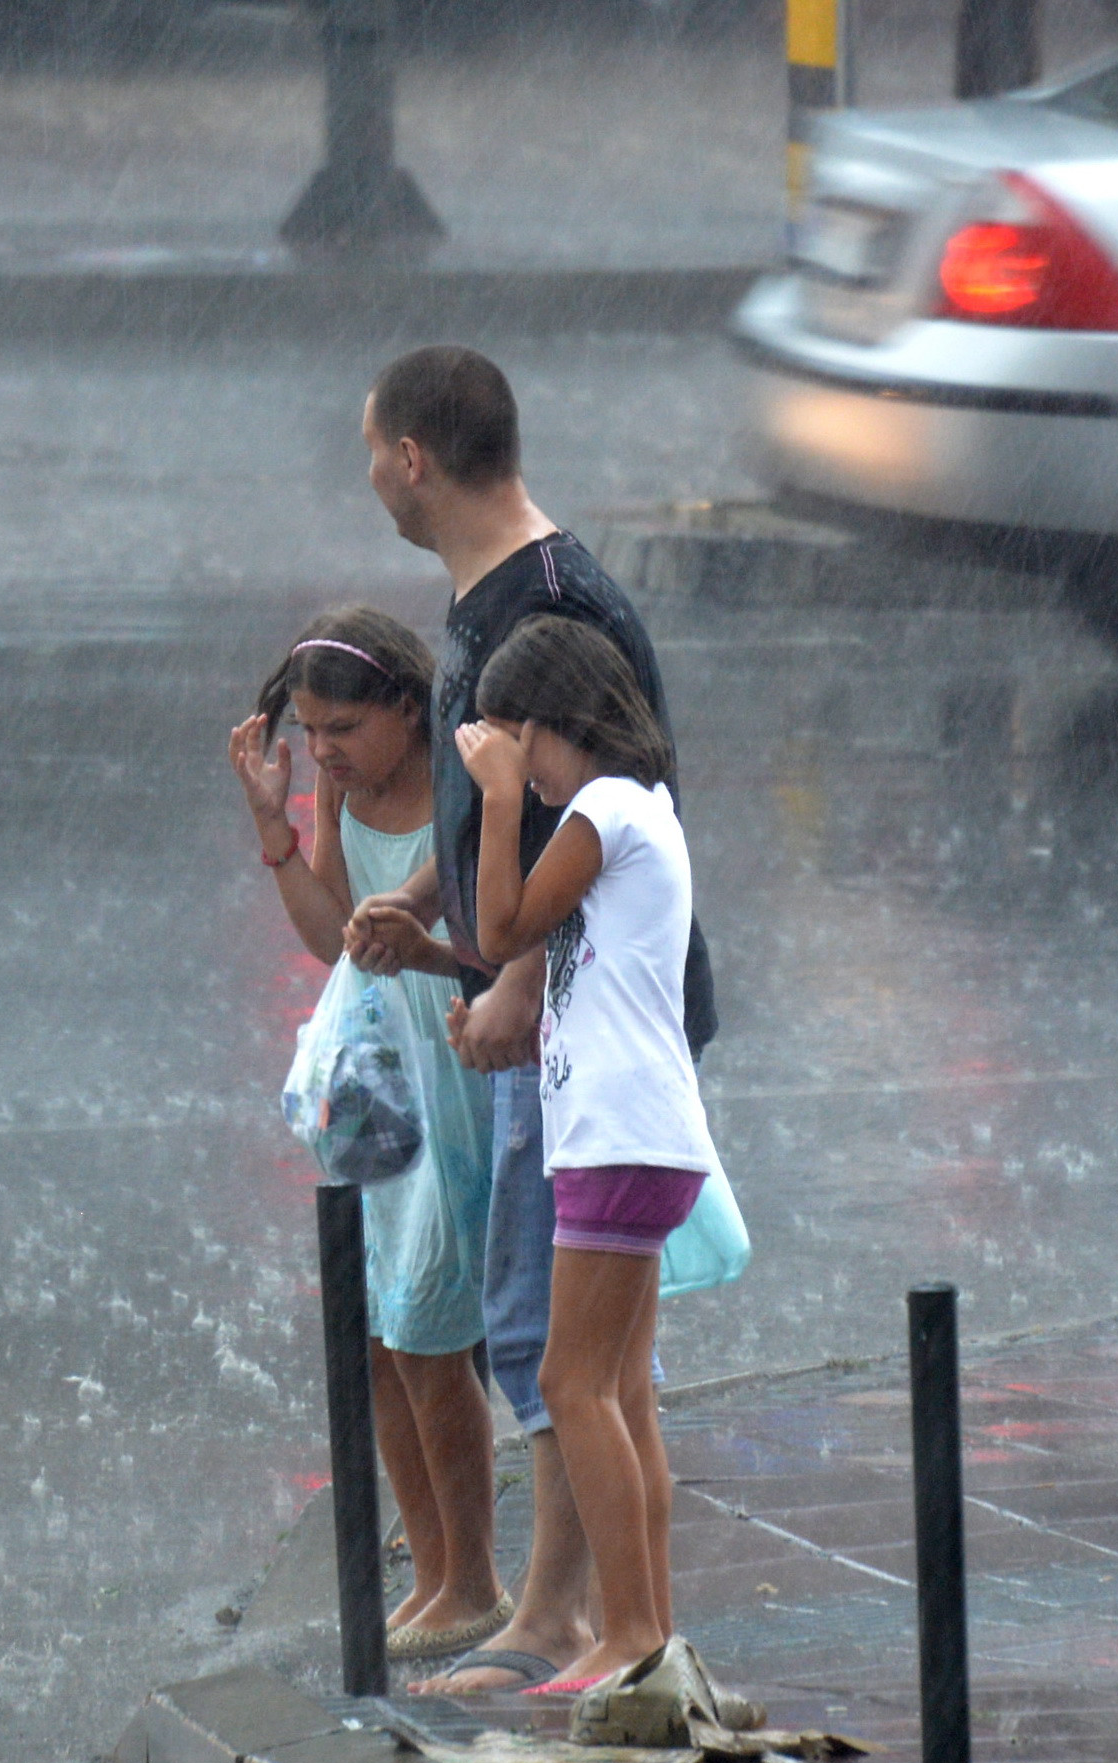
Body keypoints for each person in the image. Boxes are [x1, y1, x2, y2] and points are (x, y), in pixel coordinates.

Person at [340, 344, 717, 1695]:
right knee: (588, 1355)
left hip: (578, 1030)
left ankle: (574, 1619)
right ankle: (607, 1619)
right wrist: (420, 899)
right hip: (559, 1016)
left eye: (371, 450)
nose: (369, 475)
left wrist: (505, 972)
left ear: (413, 459)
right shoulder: (492, 596)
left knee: (554, 1344)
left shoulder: (553, 603)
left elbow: (579, 804)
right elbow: (496, 804)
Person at [228, 607, 509, 1660]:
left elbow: (473, 928)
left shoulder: (462, 778)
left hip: (456, 1062)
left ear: (406, 704)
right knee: (384, 1336)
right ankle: (431, 1571)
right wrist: (277, 831)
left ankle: (472, 1579)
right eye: (306, 732)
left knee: (436, 1332)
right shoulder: (340, 785)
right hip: (377, 1082)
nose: (324, 750)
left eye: (341, 727)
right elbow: (335, 937)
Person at [450, 614, 716, 1692]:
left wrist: (502, 796)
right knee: (620, 1391)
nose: (517, 767)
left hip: (619, 1132)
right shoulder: (635, 812)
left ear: (552, 722)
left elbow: (504, 922)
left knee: (571, 1380)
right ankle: (639, 1626)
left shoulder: (604, 805)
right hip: (633, 1130)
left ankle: (632, 1635)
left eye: (515, 741)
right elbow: (525, 949)